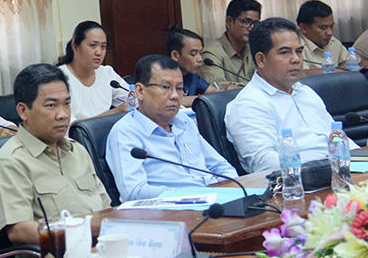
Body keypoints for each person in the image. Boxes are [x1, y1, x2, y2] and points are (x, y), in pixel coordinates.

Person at [0, 64, 110, 245]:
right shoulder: (10, 161)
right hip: (59, 256)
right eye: (51, 105)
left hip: (103, 247)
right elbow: (19, 230)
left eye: (67, 104)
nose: (63, 114)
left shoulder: (77, 150)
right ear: (23, 111)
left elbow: (105, 208)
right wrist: (80, 232)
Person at [225, 18, 358, 173]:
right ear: (261, 60)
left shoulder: (306, 92)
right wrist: (327, 166)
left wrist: (364, 160)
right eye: (285, 52)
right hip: (302, 181)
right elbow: (265, 164)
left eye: (299, 51)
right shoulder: (248, 104)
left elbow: (338, 139)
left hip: (341, 172)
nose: (296, 59)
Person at [105, 55, 237, 202]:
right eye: (166, 87)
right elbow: (134, 191)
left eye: (179, 88)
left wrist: (232, 188)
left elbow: (221, 167)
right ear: (140, 91)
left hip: (215, 200)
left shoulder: (183, 121)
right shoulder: (125, 133)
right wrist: (192, 195)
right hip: (175, 208)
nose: (175, 96)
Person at [56, 21, 127, 122]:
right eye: (93, 45)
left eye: (103, 47)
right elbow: (70, 125)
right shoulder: (58, 78)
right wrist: (115, 112)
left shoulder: (107, 73)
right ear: (75, 47)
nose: (99, 52)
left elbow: (130, 100)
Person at [296, 0, 368, 74]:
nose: (329, 32)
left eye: (331, 26)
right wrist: (339, 72)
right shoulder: (295, 47)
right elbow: (302, 74)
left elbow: (354, 65)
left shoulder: (333, 42)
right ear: (304, 28)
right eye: (323, 28)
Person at [200, 0, 262, 88]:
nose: (251, 28)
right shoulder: (211, 53)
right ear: (229, 22)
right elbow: (217, 87)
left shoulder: (255, 49)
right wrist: (256, 86)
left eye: (255, 23)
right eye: (246, 22)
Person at [167, 29, 219, 107]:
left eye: (200, 53)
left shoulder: (192, 76)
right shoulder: (162, 77)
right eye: (193, 54)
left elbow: (213, 92)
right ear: (175, 55)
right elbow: (171, 100)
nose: (200, 59)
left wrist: (225, 91)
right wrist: (203, 99)